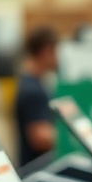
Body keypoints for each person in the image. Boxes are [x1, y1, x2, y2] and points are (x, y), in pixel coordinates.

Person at [14, 25, 59, 167]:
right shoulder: (33, 90)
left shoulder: (32, 83)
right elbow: (40, 138)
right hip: (35, 170)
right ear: (46, 51)